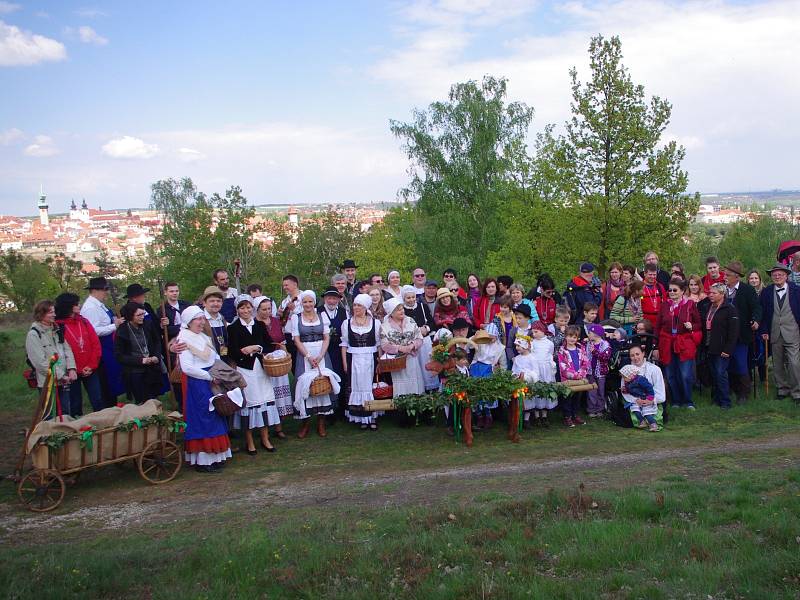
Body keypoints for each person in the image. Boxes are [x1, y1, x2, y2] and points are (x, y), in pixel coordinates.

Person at [177, 305, 233, 473]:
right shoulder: (184, 339)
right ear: (189, 322)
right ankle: (203, 460)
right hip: (197, 384)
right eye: (198, 319)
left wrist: (223, 372)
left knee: (215, 415)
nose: (202, 322)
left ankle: (216, 456)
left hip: (211, 380)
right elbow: (187, 367)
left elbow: (214, 357)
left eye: (203, 319)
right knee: (202, 418)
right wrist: (209, 377)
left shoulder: (202, 336)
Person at [227, 295, 276, 455]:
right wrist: (243, 352)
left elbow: (269, 345)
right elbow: (232, 351)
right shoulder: (233, 328)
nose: (246, 310)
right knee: (250, 403)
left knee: (264, 401)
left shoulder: (260, 325)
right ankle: (249, 441)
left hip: (261, 369)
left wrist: (257, 348)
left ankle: (265, 438)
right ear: (237, 310)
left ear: (252, 308)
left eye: (248, 307)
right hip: (245, 369)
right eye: (242, 308)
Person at [291, 290, 335, 438]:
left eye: (310, 301)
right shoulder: (296, 318)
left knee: (322, 385)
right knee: (306, 386)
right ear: (301, 303)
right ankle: (306, 423)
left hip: (321, 352)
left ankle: (321, 422)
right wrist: (309, 356)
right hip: (305, 354)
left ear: (314, 302)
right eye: (305, 302)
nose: (308, 304)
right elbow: (296, 340)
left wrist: (321, 355)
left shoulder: (322, 316)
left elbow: (326, 337)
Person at [654, 278, 701, 409]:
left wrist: (691, 326)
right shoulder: (664, 305)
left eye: (675, 290)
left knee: (685, 374)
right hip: (667, 344)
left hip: (684, 343)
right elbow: (658, 327)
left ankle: (688, 401)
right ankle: (675, 401)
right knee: (670, 375)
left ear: (682, 291)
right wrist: (655, 346)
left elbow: (698, 324)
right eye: (670, 290)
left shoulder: (690, 305)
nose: (672, 292)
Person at [26, 300, 78, 417]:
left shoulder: (57, 329)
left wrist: (71, 369)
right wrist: (61, 375)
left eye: (54, 312)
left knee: (66, 413)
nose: (54, 315)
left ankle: (66, 434)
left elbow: (67, 349)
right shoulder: (34, 334)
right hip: (47, 382)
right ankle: (50, 435)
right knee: (49, 415)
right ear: (41, 314)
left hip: (64, 380)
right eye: (50, 312)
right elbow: (40, 362)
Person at [758, 263, 800, 402]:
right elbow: (762, 314)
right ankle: (782, 390)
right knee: (777, 363)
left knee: (794, 363)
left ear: (786, 276)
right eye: (774, 275)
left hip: (793, 332)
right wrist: (764, 330)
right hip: (774, 332)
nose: (777, 276)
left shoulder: (796, 290)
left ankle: (797, 392)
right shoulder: (766, 292)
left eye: (780, 274)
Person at [80, 276, 125, 406]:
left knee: (112, 379)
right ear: (95, 290)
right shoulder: (91, 308)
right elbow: (93, 331)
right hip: (101, 347)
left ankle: (112, 403)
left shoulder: (99, 305)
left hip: (109, 346)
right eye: (104, 289)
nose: (106, 292)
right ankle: (107, 407)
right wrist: (114, 326)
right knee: (105, 380)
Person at [55, 293, 102, 414]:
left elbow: (95, 344)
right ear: (69, 306)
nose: (79, 305)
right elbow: (59, 350)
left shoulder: (84, 322)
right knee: (75, 403)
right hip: (71, 371)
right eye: (76, 304)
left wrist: (91, 366)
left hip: (90, 369)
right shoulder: (58, 326)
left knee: (97, 399)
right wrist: (73, 369)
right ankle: (78, 428)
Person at [341, 294, 382, 430]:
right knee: (356, 386)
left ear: (365, 307)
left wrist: (380, 361)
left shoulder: (375, 323)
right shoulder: (346, 323)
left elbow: (379, 344)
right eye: (355, 305)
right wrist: (345, 363)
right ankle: (362, 417)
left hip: (370, 358)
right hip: (354, 358)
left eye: (359, 305)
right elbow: (344, 344)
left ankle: (372, 417)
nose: (356, 308)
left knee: (370, 386)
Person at [723, 261, 762, 403]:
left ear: (737, 277)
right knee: (728, 362)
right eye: (724, 274)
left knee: (740, 362)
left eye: (728, 275)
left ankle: (744, 393)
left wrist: (756, 320)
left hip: (741, 334)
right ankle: (732, 388)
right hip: (724, 335)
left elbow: (756, 308)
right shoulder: (722, 290)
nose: (724, 277)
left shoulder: (747, 290)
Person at [114, 301, 165, 404]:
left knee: (154, 399)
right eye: (139, 315)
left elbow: (157, 341)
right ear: (130, 315)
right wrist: (141, 360)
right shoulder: (122, 331)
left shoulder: (148, 325)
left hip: (152, 368)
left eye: (143, 314)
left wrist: (156, 355)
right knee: (142, 402)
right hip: (135, 371)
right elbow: (120, 356)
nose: (142, 317)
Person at [254, 296, 291, 435]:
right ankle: (266, 426)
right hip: (264, 361)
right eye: (264, 309)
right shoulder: (255, 323)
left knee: (279, 394)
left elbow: (281, 340)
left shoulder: (275, 321)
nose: (267, 312)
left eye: (269, 308)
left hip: (278, 362)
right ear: (257, 310)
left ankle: (279, 426)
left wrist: (285, 354)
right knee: (268, 395)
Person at [703, 283, 739, 409]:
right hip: (709, 346)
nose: (710, 295)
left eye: (714, 293)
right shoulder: (708, 306)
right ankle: (716, 398)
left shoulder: (729, 309)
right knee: (714, 373)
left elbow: (733, 331)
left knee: (720, 373)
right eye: (710, 293)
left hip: (722, 348)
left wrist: (728, 349)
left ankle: (725, 401)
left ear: (722, 294)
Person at [380, 297, 425, 397]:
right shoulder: (385, 325)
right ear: (391, 312)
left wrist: (412, 345)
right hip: (397, 362)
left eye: (402, 308)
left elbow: (419, 338)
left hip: (412, 359)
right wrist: (400, 348)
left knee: (415, 386)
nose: (402, 311)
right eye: (398, 309)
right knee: (401, 388)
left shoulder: (410, 321)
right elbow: (384, 344)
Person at [515, 322, 556, 427]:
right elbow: (530, 355)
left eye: (536, 331)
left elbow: (550, 355)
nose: (534, 334)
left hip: (546, 370)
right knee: (536, 392)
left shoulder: (549, 343)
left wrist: (551, 367)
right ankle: (537, 416)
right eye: (532, 332)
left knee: (545, 390)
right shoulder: (532, 343)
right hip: (536, 370)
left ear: (542, 331)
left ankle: (545, 416)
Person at [319, 286, 348, 418]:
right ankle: (327, 409)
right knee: (325, 377)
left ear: (338, 299)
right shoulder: (317, 311)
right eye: (329, 298)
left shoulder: (343, 312)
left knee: (340, 376)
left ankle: (340, 408)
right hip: (323, 350)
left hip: (339, 350)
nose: (331, 301)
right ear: (325, 299)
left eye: (334, 298)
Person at [620, 345, 666, 428]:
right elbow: (625, 392)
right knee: (625, 419)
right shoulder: (626, 370)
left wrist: (651, 401)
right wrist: (636, 400)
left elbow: (661, 394)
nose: (635, 357)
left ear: (643, 354)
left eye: (637, 354)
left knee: (652, 413)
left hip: (650, 400)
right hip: (634, 401)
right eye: (632, 355)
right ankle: (642, 421)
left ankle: (652, 423)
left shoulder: (654, 369)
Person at [402, 285, 438, 392]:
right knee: (415, 368)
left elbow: (432, 322)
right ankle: (418, 391)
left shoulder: (423, 307)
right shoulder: (402, 310)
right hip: (411, 344)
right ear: (404, 298)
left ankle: (431, 389)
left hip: (424, 341)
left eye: (413, 297)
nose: (411, 300)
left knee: (426, 364)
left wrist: (426, 328)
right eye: (408, 298)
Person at [469, 324, 505, 429]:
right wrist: (475, 337)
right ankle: (479, 416)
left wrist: (501, 375)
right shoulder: (481, 341)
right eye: (489, 336)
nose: (491, 339)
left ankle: (488, 416)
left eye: (493, 337)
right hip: (476, 368)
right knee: (476, 392)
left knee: (486, 393)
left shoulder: (500, 348)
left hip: (489, 370)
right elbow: (469, 345)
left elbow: (503, 363)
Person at [557, 325, 590, 427]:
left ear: (577, 338)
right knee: (567, 398)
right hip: (568, 380)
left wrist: (581, 373)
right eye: (570, 336)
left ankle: (575, 415)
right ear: (565, 336)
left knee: (577, 398)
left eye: (574, 337)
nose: (572, 339)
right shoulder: (562, 350)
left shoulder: (581, 348)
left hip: (580, 379)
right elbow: (563, 367)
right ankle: (567, 417)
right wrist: (575, 375)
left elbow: (586, 362)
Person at [619, 364, 660, 432]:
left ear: (631, 375)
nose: (624, 379)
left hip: (645, 398)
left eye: (625, 377)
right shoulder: (628, 382)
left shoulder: (641, 380)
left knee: (647, 412)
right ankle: (642, 421)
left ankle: (653, 424)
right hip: (637, 399)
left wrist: (650, 398)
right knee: (635, 409)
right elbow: (630, 389)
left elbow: (649, 388)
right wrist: (625, 390)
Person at [585, 323, 612, 418]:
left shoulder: (605, 345)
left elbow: (605, 357)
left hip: (601, 372)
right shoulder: (589, 343)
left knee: (600, 391)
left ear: (596, 334)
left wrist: (594, 352)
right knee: (592, 390)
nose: (588, 335)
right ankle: (591, 409)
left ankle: (599, 409)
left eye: (590, 333)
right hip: (590, 371)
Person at [278, 274, 302, 371]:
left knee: (302, 363)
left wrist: (294, 309)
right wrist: (280, 315)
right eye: (284, 286)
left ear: (295, 285)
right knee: (293, 365)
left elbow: (308, 315)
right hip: (288, 335)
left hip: (301, 335)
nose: (284, 288)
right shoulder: (285, 301)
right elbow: (282, 321)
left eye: (286, 285)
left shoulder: (304, 298)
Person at [640, 264, 667, 329]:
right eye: (650, 274)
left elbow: (665, 303)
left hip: (658, 321)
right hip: (644, 322)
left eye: (654, 275)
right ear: (645, 274)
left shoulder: (660, 286)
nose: (652, 277)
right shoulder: (639, 287)